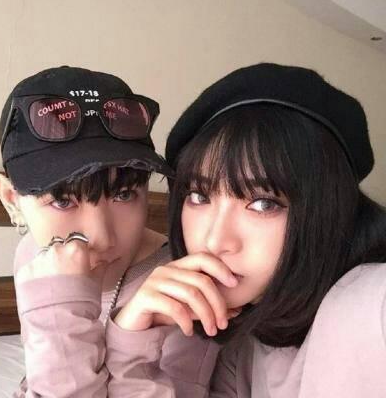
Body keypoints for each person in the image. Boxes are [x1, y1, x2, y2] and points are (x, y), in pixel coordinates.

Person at [106, 63, 386, 397]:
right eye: (199, 196)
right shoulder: (245, 345)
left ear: (328, 210)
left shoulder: (373, 301)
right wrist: (132, 344)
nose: (214, 240)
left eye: (263, 204)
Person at [0, 65, 217, 397]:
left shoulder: (181, 292)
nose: (102, 238)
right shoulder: (32, 256)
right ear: (12, 200)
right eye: (62, 201)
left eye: (124, 195)